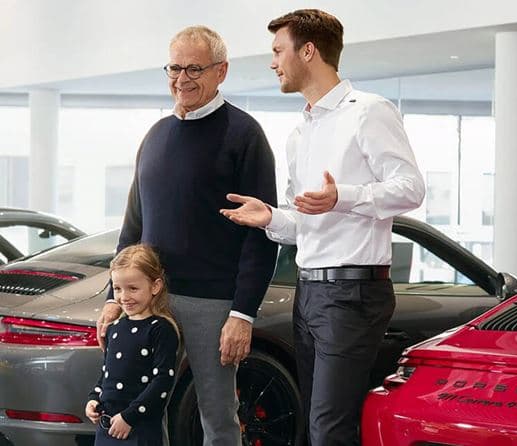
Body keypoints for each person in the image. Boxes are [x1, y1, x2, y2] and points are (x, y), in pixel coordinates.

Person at [220, 9, 425, 446]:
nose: (273, 62)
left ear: (308, 51)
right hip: (309, 291)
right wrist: (270, 217)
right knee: (315, 426)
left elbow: (411, 189)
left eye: (279, 51)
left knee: (329, 428)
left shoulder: (368, 111)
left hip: (352, 292)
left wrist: (343, 196)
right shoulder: (300, 134)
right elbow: (304, 224)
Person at [96, 26, 278, 446]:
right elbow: (133, 226)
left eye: (194, 68)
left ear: (221, 71)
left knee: (217, 415)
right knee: (138, 410)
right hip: (150, 298)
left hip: (212, 305)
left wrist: (243, 314)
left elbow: (262, 234)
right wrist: (113, 296)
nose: (182, 78)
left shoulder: (244, 135)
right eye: (175, 68)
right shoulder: (156, 135)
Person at [86, 244, 179, 446]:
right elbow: (106, 374)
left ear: (155, 286)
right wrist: (94, 398)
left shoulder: (161, 329)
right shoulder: (115, 328)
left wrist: (130, 417)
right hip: (107, 426)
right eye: (117, 289)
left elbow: (162, 381)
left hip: (139, 427)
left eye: (133, 288)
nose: (124, 297)